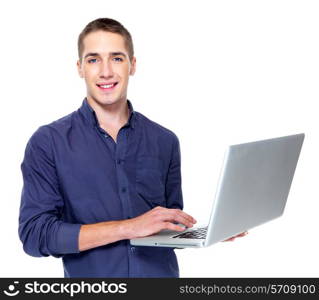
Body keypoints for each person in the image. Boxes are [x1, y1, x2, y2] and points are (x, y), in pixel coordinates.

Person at [19, 18, 244, 278]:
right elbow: (35, 235)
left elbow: (164, 230)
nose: (105, 72)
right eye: (93, 60)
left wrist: (209, 232)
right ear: (80, 68)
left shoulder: (165, 140)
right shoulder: (49, 142)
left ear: (132, 65)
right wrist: (128, 227)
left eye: (117, 58)